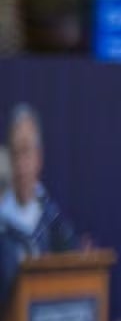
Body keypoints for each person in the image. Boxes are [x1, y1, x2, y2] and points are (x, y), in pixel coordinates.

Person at [0, 104, 81, 307]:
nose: (20, 163)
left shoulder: (54, 221)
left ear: (38, 157)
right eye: (14, 153)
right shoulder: (2, 224)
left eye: (26, 151)